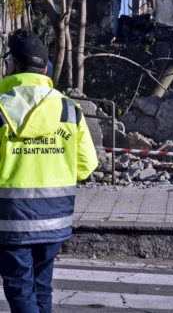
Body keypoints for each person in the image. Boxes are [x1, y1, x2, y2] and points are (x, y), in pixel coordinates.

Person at [0, 29, 98, 313]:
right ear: (45, 68)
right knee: (42, 286)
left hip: (11, 221)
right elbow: (86, 166)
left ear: (13, 66)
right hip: (55, 219)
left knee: (20, 288)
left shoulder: (2, 109)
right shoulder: (69, 110)